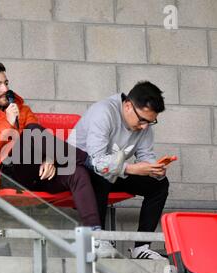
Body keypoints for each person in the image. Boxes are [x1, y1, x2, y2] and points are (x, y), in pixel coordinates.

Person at [0, 61, 117, 257]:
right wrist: (7, 123)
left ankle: (94, 238)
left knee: (77, 172)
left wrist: (50, 158)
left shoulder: (21, 109)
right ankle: (93, 162)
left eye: (6, 82)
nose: (5, 89)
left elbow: (44, 140)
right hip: (4, 174)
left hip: (36, 172)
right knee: (31, 132)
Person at [68, 81, 169, 260]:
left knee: (159, 185)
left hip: (112, 172)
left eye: (151, 122)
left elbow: (145, 154)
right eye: (142, 120)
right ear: (128, 106)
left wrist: (154, 168)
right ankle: (97, 239)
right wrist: (130, 168)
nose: (145, 126)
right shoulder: (104, 112)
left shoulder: (143, 125)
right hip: (80, 172)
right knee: (103, 173)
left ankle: (141, 247)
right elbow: (96, 161)